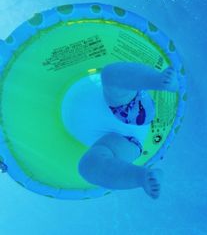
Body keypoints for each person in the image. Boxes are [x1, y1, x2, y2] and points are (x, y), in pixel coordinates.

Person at [63, 62, 178, 199]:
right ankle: (141, 177)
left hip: (124, 110)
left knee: (110, 74)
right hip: (128, 135)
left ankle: (158, 80)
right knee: (86, 168)